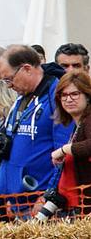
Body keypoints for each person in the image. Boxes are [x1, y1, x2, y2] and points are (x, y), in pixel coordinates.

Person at [0, 44, 74, 217]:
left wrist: (48, 195)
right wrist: (10, 195)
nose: (9, 86)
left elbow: (64, 151)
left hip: (40, 203)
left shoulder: (57, 97)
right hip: (19, 201)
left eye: (9, 79)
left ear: (27, 69)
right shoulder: (23, 98)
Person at [50, 68, 91, 211]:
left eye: (75, 94)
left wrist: (63, 150)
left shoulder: (89, 120)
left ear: (87, 96)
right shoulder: (78, 125)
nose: (68, 99)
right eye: (64, 95)